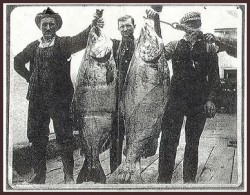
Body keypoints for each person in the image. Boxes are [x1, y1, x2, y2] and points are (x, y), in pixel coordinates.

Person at [14, 7, 103, 184]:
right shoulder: (33, 47)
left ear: (56, 27)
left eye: (51, 24)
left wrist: (93, 25)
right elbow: (17, 61)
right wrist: (29, 78)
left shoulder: (63, 44)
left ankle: (68, 176)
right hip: (37, 100)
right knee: (37, 138)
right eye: (44, 24)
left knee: (65, 137)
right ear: (40, 26)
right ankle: (39, 175)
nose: (47, 27)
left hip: (60, 100)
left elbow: (81, 39)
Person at [147, 10, 220, 183]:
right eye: (191, 24)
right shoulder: (174, 45)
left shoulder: (210, 47)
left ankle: (189, 182)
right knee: (168, 141)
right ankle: (163, 181)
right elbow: (159, 51)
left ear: (199, 25)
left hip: (199, 101)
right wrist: (156, 22)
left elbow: (215, 77)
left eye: (197, 24)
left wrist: (211, 99)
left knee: (192, 143)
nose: (194, 27)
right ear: (184, 27)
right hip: (176, 99)